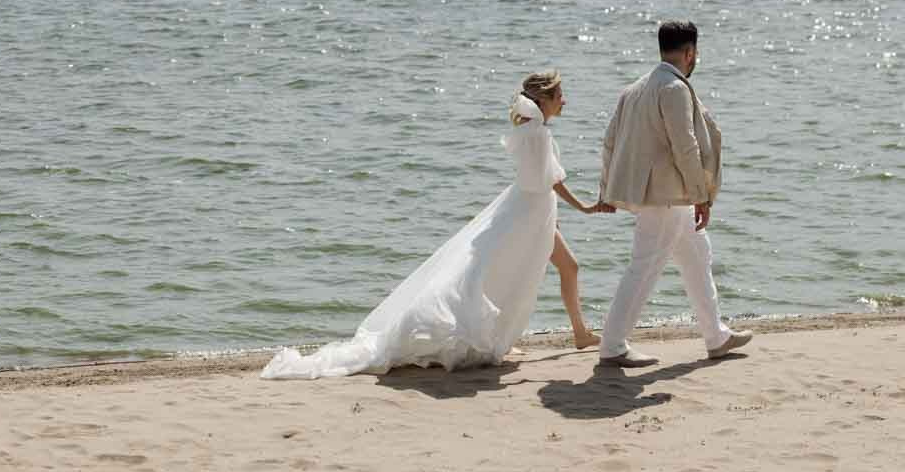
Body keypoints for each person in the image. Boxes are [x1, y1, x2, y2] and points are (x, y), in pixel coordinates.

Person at [261, 70, 611, 380]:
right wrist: (584, 207)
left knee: (552, 268)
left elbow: (538, 184)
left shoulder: (531, 132)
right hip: (527, 216)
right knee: (505, 273)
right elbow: (546, 182)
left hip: (528, 212)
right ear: (546, 99)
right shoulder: (538, 135)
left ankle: (576, 333)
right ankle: (509, 336)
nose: (565, 101)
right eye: (560, 95)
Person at [596, 21, 752, 368]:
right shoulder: (674, 88)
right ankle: (613, 344)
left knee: (698, 255)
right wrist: (703, 195)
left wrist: (606, 188)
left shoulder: (634, 88)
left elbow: (609, 142)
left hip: (666, 194)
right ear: (690, 52)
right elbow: (687, 146)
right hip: (667, 195)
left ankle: (716, 336)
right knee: (644, 266)